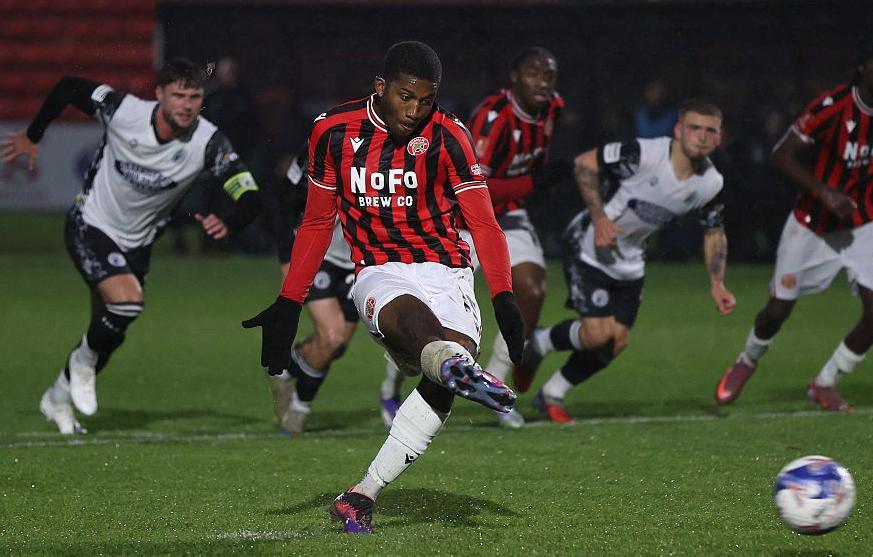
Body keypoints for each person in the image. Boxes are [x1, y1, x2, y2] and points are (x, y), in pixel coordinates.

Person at [241, 41, 525, 534]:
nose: (415, 112)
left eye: (426, 101)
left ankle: (362, 493)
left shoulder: (450, 136)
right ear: (381, 87)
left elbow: (484, 223)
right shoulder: (332, 132)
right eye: (405, 97)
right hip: (379, 268)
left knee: (445, 367)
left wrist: (504, 297)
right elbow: (314, 224)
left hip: (448, 270)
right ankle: (452, 364)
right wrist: (289, 303)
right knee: (429, 337)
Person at [713, 34, 873, 411]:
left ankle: (825, 382)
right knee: (778, 309)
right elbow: (782, 154)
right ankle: (747, 360)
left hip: (866, 222)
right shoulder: (832, 106)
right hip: (811, 223)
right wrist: (824, 192)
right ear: (861, 67)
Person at [0, 59, 264, 434]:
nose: (187, 105)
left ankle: (57, 397)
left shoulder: (208, 142)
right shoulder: (123, 110)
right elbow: (68, 86)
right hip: (90, 224)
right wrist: (34, 133)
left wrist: (231, 221)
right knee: (127, 303)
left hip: (137, 244)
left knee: (109, 327)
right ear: (159, 94)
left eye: (194, 97)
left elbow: (249, 194)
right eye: (178, 96)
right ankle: (82, 362)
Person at [378, 46, 565, 429]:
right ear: (514, 76)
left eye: (549, 74)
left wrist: (535, 183)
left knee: (530, 288)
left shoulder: (553, 108)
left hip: (509, 215)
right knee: (425, 314)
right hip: (459, 216)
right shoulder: (492, 118)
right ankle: (390, 385)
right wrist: (534, 182)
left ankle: (494, 390)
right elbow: (475, 186)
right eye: (533, 72)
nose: (542, 82)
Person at [521, 99, 736, 423]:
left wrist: (717, 282)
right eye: (694, 127)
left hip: (631, 260)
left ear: (719, 138)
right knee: (596, 334)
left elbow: (713, 232)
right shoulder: (644, 154)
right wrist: (600, 218)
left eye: (710, 131)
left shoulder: (710, 183)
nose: (702, 136)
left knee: (615, 343)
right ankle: (537, 342)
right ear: (678, 130)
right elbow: (584, 163)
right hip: (589, 244)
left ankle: (552, 393)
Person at [267, 148, 361, 435]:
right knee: (331, 338)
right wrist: (288, 262)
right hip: (317, 257)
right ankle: (301, 407)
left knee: (337, 347)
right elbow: (283, 211)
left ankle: (284, 367)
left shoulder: (393, 159)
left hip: (362, 262)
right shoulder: (317, 159)